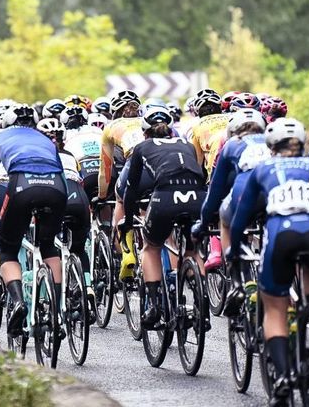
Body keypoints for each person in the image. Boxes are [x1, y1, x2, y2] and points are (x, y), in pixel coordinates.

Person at [228, 117, 309, 406]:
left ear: (270, 146)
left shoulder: (262, 168)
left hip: (282, 233)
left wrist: (233, 248)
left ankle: (284, 377)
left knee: (274, 306)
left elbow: (240, 217)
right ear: (301, 144)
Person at [0, 104, 67, 337]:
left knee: (8, 251)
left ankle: (17, 301)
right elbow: (63, 179)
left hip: (21, 186)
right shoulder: (45, 138)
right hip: (56, 189)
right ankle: (57, 312)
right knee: (48, 247)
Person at [118, 107, 206, 328]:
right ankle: (201, 307)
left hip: (165, 197)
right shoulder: (186, 144)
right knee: (192, 250)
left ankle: (155, 306)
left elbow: (131, 189)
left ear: (145, 133)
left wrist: (129, 220)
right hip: (197, 197)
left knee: (151, 246)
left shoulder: (141, 147)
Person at [196, 108, 269, 270]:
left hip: (247, 195)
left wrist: (204, 221)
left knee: (225, 219)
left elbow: (216, 188)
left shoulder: (231, 145)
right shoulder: (273, 141)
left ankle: (235, 276)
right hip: (277, 194)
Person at [37, 117, 94, 315]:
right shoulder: (71, 155)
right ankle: (87, 287)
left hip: (55, 198)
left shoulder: (37, 154)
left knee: (46, 246)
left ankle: (52, 296)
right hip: (79, 199)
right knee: (78, 248)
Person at [97, 90, 146, 279]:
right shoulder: (148, 121)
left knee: (121, 199)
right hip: (160, 164)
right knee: (150, 202)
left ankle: (126, 252)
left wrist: (102, 196)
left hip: (133, 162)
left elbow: (106, 169)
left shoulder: (111, 126)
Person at [189, 90, 231, 177]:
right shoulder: (231, 117)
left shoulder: (196, 125)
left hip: (216, 169)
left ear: (198, 111)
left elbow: (197, 161)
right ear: (220, 106)